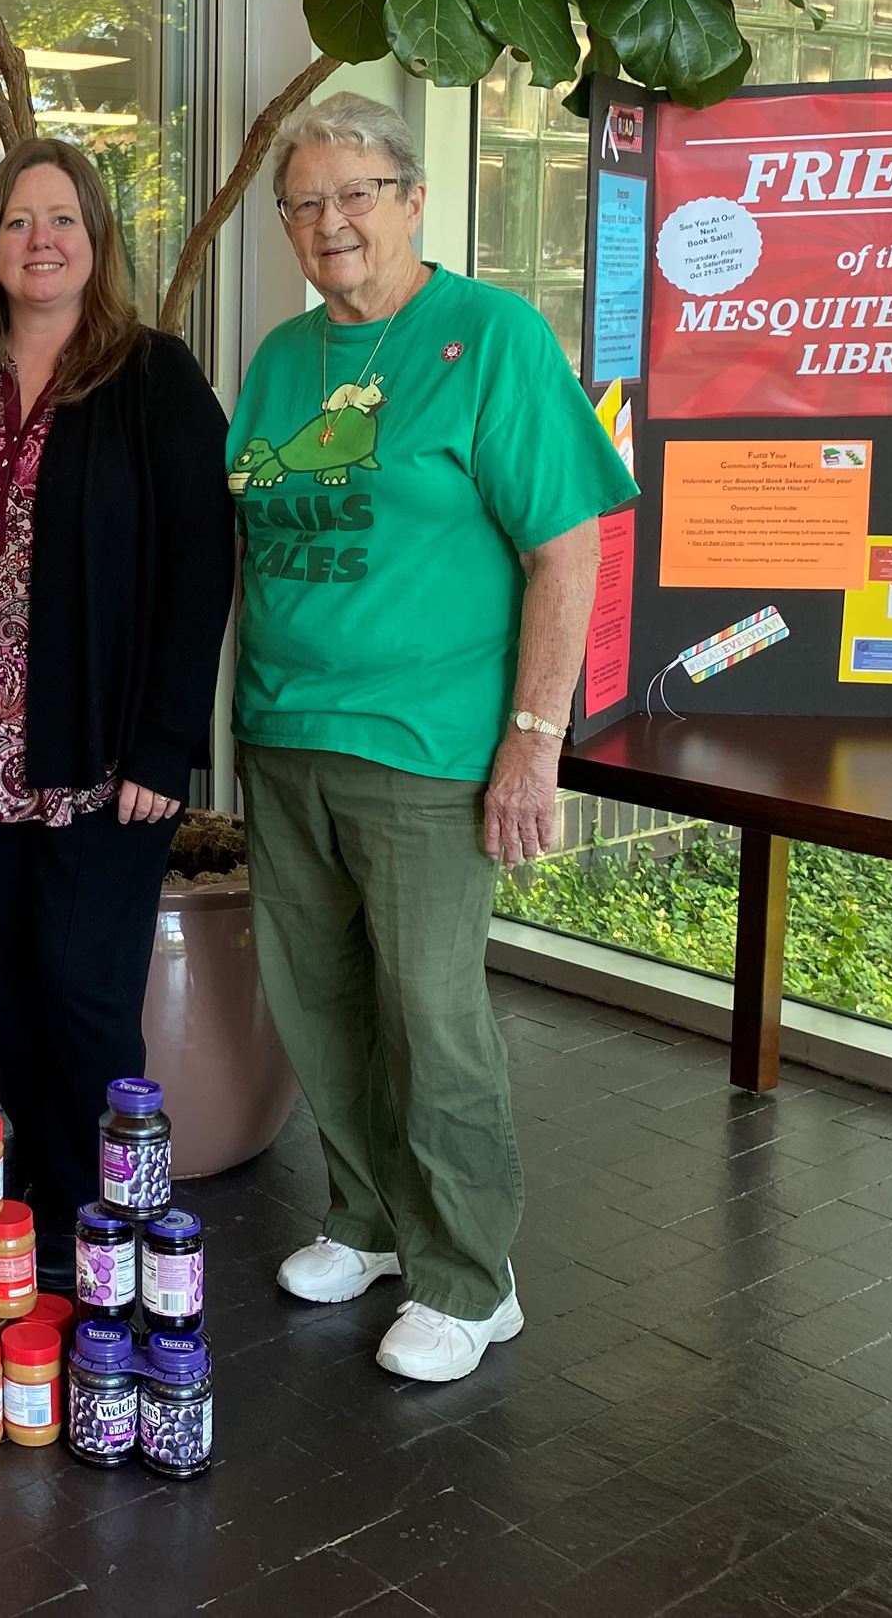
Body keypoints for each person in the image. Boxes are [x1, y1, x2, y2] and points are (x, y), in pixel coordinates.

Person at [232, 92, 637, 1382]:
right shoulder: (281, 360)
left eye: (356, 193)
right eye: (305, 201)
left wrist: (532, 738)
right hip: (284, 733)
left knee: (429, 1012)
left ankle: (470, 1275)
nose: (330, 221)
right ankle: (367, 1223)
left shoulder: (489, 335)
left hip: (424, 745)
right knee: (317, 1000)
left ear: (412, 201)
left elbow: (565, 544)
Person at [0, 138, 234, 1289]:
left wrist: (166, 741)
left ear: (96, 241)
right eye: (18, 221)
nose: (40, 241)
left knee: (82, 988)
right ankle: (37, 1201)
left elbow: (198, 566)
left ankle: (100, 1220)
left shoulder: (153, 380)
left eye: (61, 220)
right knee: (7, 990)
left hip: (98, 756)